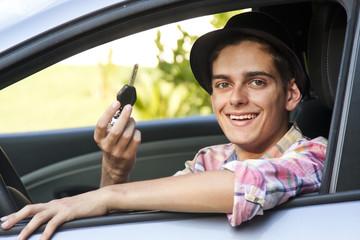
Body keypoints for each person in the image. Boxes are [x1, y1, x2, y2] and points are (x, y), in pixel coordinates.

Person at [1, 11, 327, 240]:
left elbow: (246, 186)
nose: (236, 99)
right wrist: (114, 170)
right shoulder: (211, 159)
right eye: (223, 84)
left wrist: (110, 195)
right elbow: (142, 222)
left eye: (256, 82)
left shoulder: (317, 155)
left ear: (291, 94)